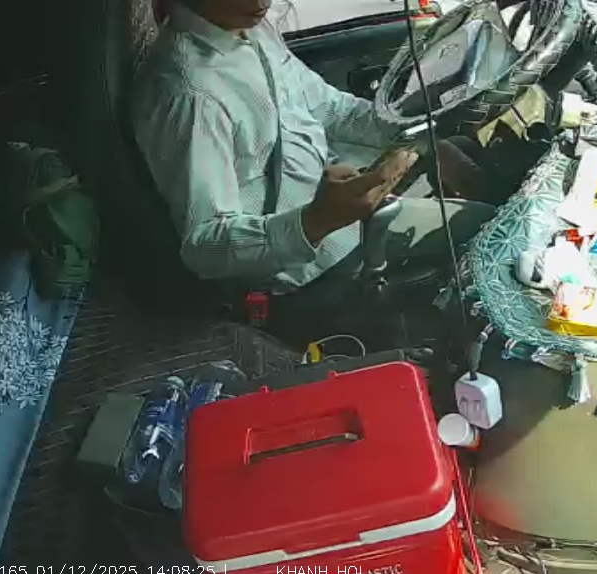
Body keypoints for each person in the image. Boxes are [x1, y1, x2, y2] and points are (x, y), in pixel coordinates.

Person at [131, 0, 495, 342]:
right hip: (308, 273)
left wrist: (429, 142)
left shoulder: (249, 29)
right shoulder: (190, 94)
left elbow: (331, 109)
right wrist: (317, 220)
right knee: (486, 231)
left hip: (332, 201)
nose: (263, 2)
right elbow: (205, 246)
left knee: (464, 151)